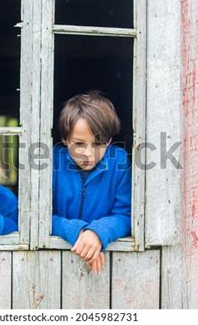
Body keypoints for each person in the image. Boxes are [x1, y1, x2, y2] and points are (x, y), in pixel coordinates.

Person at [52, 91, 131, 273]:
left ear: (109, 141)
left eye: (98, 144)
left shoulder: (119, 162)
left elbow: (126, 215)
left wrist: (98, 232)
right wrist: (78, 232)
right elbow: (36, 216)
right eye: (79, 144)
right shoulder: (52, 163)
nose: (88, 153)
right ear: (65, 139)